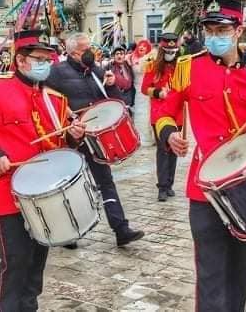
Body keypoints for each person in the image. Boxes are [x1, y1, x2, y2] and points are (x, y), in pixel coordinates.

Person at [158, 0, 246, 311]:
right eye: (209, 29)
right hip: (206, 189)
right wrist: (170, 134)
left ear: (239, 31)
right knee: (210, 274)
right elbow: (165, 112)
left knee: (240, 272)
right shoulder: (188, 68)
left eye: (222, 29)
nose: (214, 35)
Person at [0, 29, 86, 311]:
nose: (45, 64)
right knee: (15, 260)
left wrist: (74, 134)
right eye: (39, 58)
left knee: (37, 262)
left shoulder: (55, 99)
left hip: (44, 195)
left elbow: (59, 141)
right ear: (21, 60)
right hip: (8, 191)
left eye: (48, 59)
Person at [45, 33, 145, 247]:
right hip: (70, 138)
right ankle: (69, 233)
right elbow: (46, 99)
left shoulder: (97, 71)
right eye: (84, 49)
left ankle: (121, 229)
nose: (90, 52)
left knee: (106, 181)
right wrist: (68, 117)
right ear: (72, 53)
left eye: (90, 47)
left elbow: (116, 102)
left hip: (94, 137)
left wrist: (110, 85)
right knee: (68, 185)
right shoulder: (57, 72)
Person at [141, 33, 182, 201]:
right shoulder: (152, 66)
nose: (171, 53)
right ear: (161, 50)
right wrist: (158, 92)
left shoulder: (182, 67)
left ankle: (170, 183)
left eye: (173, 50)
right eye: (167, 50)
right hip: (159, 114)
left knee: (173, 149)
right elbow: (144, 88)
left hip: (178, 114)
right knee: (162, 150)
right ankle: (162, 187)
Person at [130, 39, 154, 146]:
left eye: (145, 46)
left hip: (147, 90)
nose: (142, 47)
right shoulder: (131, 58)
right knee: (139, 112)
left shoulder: (150, 59)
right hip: (137, 91)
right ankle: (140, 137)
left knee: (147, 113)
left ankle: (149, 137)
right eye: (140, 45)